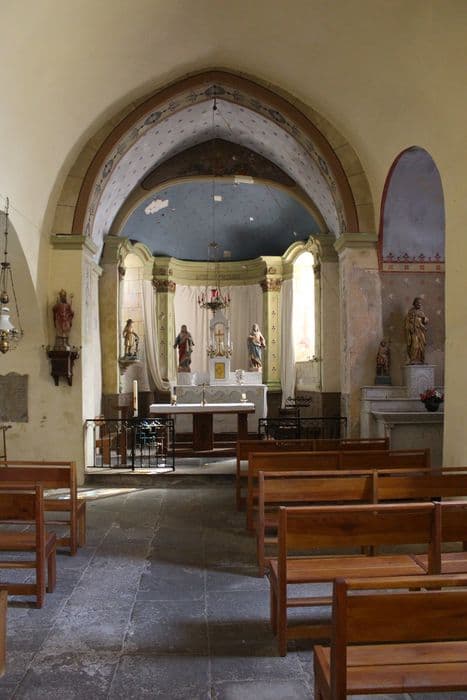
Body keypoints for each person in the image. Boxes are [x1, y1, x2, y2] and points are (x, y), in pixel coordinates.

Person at [405, 297, 429, 364]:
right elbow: (407, 322)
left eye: (420, 303)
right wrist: (410, 326)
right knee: (415, 345)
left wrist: (425, 319)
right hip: (414, 331)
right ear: (414, 303)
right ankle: (413, 359)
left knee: (422, 346)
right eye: (418, 303)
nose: (419, 304)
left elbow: (425, 321)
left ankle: (421, 360)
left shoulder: (421, 312)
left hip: (420, 331)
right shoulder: (411, 312)